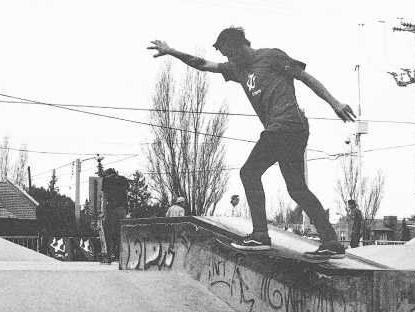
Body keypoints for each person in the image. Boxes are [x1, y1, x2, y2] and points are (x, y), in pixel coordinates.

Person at [148, 27, 356, 258]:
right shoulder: (237, 68)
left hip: (286, 126)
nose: (228, 59)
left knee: (249, 172)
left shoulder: (271, 56)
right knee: (297, 189)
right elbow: (204, 64)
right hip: (286, 131)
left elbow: (305, 77)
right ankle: (332, 243)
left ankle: (260, 235)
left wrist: (334, 103)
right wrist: (172, 51)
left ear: (241, 46)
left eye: (231, 53)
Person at [101, 168, 129, 261]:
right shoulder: (123, 179)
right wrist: (126, 210)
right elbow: (126, 195)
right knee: (120, 232)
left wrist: (103, 212)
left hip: (111, 209)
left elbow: (105, 197)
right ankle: (121, 255)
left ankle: (108, 255)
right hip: (122, 209)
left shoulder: (106, 180)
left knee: (108, 232)